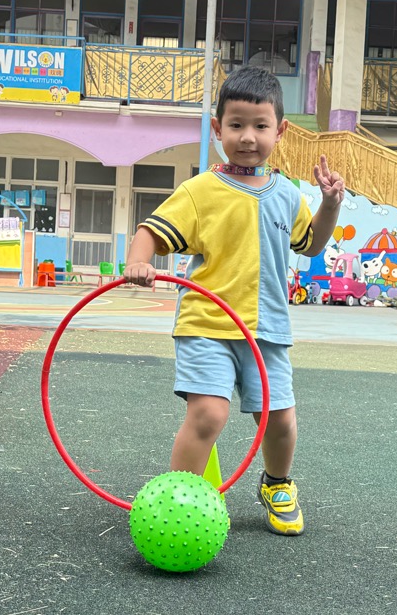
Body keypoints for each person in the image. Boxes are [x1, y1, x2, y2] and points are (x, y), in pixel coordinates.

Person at [123, 66, 345, 536]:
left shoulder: (288, 195)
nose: (248, 137)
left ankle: (277, 484)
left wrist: (330, 205)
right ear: (217, 128)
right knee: (209, 412)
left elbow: (311, 244)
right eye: (237, 124)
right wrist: (139, 261)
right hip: (207, 324)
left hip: (268, 330)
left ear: (280, 131)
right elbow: (151, 231)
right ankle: (179, 499)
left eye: (261, 126)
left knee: (279, 420)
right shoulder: (200, 191)